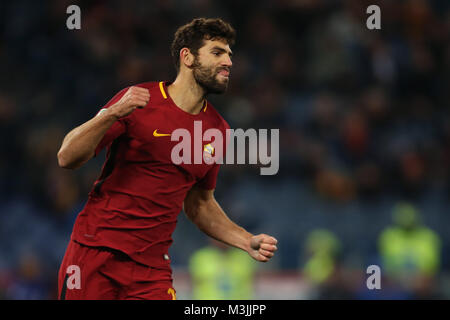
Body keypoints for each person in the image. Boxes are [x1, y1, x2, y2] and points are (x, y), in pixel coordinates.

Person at [56, 17, 278, 300]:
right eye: (217, 52)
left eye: (230, 55)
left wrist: (245, 240)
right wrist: (110, 114)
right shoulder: (139, 100)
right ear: (187, 57)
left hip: (151, 270)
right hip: (96, 255)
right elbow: (67, 157)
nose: (229, 62)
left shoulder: (217, 130)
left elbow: (200, 204)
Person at [189, 239, 256, 300]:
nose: (222, 241)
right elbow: (194, 284)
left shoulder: (244, 257)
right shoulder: (201, 257)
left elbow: (252, 284)